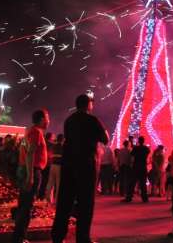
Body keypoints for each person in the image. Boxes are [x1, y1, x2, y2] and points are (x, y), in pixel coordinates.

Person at [51, 93, 108, 243]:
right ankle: (83, 238)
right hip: (86, 166)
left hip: (69, 165)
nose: (93, 105)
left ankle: (57, 236)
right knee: (86, 203)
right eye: (91, 102)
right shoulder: (92, 120)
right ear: (88, 104)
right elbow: (105, 139)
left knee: (64, 201)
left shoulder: (69, 120)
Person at [12, 109, 50, 243]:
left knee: (23, 204)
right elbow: (30, 154)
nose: (48, 121)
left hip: (25, 169)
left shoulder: (29, 131)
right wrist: (30, 176)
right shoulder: (36, 132)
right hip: (32, 170)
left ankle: (18, 236)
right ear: (41, 119)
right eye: (47, 118)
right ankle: (20, 238)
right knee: (27, 205)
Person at [124, 136, 150, 203]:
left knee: (132, 183)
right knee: (143, 183)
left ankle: (129, 197)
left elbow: (132, 154)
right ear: (143, 141)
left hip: (136, 167)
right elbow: (147, 153)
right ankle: (145, 198)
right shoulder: (146, 148)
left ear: (138, 141)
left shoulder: (136, 148)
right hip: (143, 166)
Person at [45, 133, 64, 205]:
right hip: (59, 166)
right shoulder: (63, 147)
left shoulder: (53, 146)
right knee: (58, 184)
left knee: (50, 183)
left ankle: (48, 199)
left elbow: (50, 155)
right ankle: (57, 201)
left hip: (52, 165)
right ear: (62, 139)